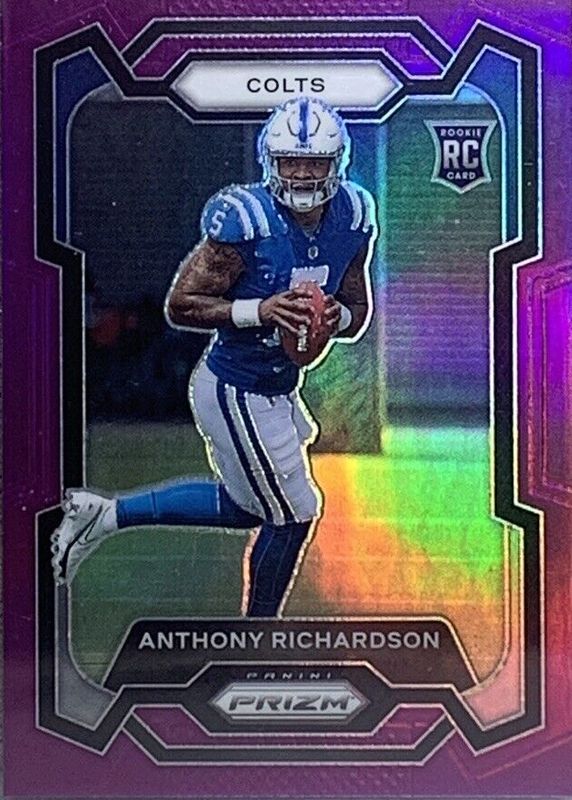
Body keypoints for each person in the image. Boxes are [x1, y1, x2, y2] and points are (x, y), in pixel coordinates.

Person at [51, 97, 378, 617]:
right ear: (270, 161)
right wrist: (261, 310)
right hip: (234, 387)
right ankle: (258, 636)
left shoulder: (354, 215)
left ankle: (105, 515)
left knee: (249, 506)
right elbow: (180, 304)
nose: (300, 173)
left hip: (277, 389)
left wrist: (333, 317)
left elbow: (358, 314)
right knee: (295, 512)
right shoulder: (246, 219)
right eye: (290, 161)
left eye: (313, 162)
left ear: (336, 164)